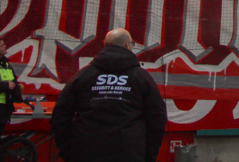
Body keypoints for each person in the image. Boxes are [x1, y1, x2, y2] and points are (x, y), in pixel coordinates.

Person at [52, 28, 167, 162]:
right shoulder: (141, 78)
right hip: (129, 152)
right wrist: (148, 155)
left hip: (86, 151)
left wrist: (68, 151)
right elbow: (157, 119)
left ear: (105, 46)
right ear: (127, 46)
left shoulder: (83, 76)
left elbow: (60, 114)